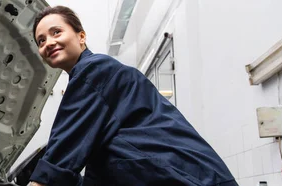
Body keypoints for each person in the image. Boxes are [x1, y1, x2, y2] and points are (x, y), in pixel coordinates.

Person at [27, 6, 237, 186]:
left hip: (191, 179)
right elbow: (102, 165)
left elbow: (64, 145)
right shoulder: (94, 77)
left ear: (81, 37)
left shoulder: (95, 70)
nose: (48, 43)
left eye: (56, 32)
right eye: (41, 40)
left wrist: (40, 181)